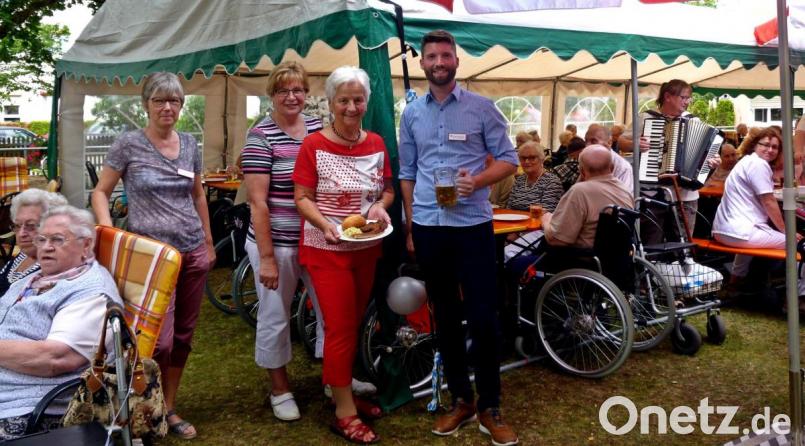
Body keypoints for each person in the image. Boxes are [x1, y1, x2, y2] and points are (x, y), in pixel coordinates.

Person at [399, 30, 519, 446]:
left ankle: (490, 404)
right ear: (423, 64)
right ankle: (461, 399)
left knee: (485, 316)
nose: (438, 61)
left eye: (445, 55)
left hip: (472, 225)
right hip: (431, 227)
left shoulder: (482, 109)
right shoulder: (412, 113)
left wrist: (478, 181)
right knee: (445, 317)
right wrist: (412, 225)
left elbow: (509, 161)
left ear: (456, 61)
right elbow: (408, 172)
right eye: (431, 55)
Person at [91, 72, 214, 440]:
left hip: (191, 250)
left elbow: (198, 196)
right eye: (160, 100)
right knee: (156, 340)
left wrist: (208, 244)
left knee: (183, 337)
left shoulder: (190, 143)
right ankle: (144, 407)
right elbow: (101, 192)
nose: (168, 107)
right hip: (153, 257)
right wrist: (107, 233)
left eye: (175, 101)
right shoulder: (128, 144)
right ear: (145, 104)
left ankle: (167, 408)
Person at [293, 66, 393, 444]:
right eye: (344, 100)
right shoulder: (313, 144)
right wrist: (325, 224)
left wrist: (379, 209)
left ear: (366, 101)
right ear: (331, 103)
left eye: (358, 99)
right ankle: (344, 413)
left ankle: (341, 393)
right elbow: (301, 198)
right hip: (326, 248)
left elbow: (385, 193)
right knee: (338, 328)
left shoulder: (377, 143)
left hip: (366, 247)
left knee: (351, 324)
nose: (352, 107)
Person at [241, 61, 324, 421]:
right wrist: (268, 257)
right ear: (272, 95)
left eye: (298, 90)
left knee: (330, 311)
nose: (291, 96)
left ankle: (334, 379)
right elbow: (257, 202)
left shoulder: (320, 129)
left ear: (306, 93)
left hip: (318, 240)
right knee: (276, 316)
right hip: (278, 242)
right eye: (283, 90)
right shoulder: (260, 136)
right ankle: (279, 389)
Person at [0, 205, 122, 440]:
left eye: (57, 240)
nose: (46, 247)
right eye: (42, 239)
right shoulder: (35, 279)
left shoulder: (90, 293)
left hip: (28, 404)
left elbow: (55, 358)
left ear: (85, 246)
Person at [712, 127, 805, 299]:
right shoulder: (758, 165)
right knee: (802, 245)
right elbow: (769, 201)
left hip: (723, 230)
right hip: (738, 232)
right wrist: (787, 232)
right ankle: (800, 297)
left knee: (752, 235)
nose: (770, 150)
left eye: (775, 147)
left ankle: (734, 283)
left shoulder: (747, 161)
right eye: (766, 145)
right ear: (755, 145)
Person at [619, 79, 714, 240]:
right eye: (683, 97)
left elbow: (705, 155)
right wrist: (635, 144)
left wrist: (710, 161)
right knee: (652, 241)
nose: (687, 102)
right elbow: (621, 141)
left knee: (683, 246)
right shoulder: (645, 118)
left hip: (685, 196)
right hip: (652, 193)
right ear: (668, 96)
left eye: (689, 98)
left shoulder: (693, 121)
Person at [542, 145, 634, 249]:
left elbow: (556, 240)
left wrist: (546, 220)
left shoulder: (580, 192)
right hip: (616, 260)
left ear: (581, 171)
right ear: (612, 167)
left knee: (521, 262)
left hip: (581, 260)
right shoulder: (626, 191)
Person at [0, 189, 67, 296]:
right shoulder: (24, 255)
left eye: (31, 226)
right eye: (17, 226)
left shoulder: (53, 270)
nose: (21, 234)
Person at [506, 142, 563, 212]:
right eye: (523, 158)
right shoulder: (519, 180)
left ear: (542, 159)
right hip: (513, 222)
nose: (526, 161)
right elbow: (509, 209)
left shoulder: (552, 182)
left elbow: (546, 214)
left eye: (532, 158)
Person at [585, 124, 633, 194]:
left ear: (609, 142)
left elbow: (624, 198)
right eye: (586, 141)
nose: (587, 145)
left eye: (593, 141)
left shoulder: (623, 167)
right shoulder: (587, 161)